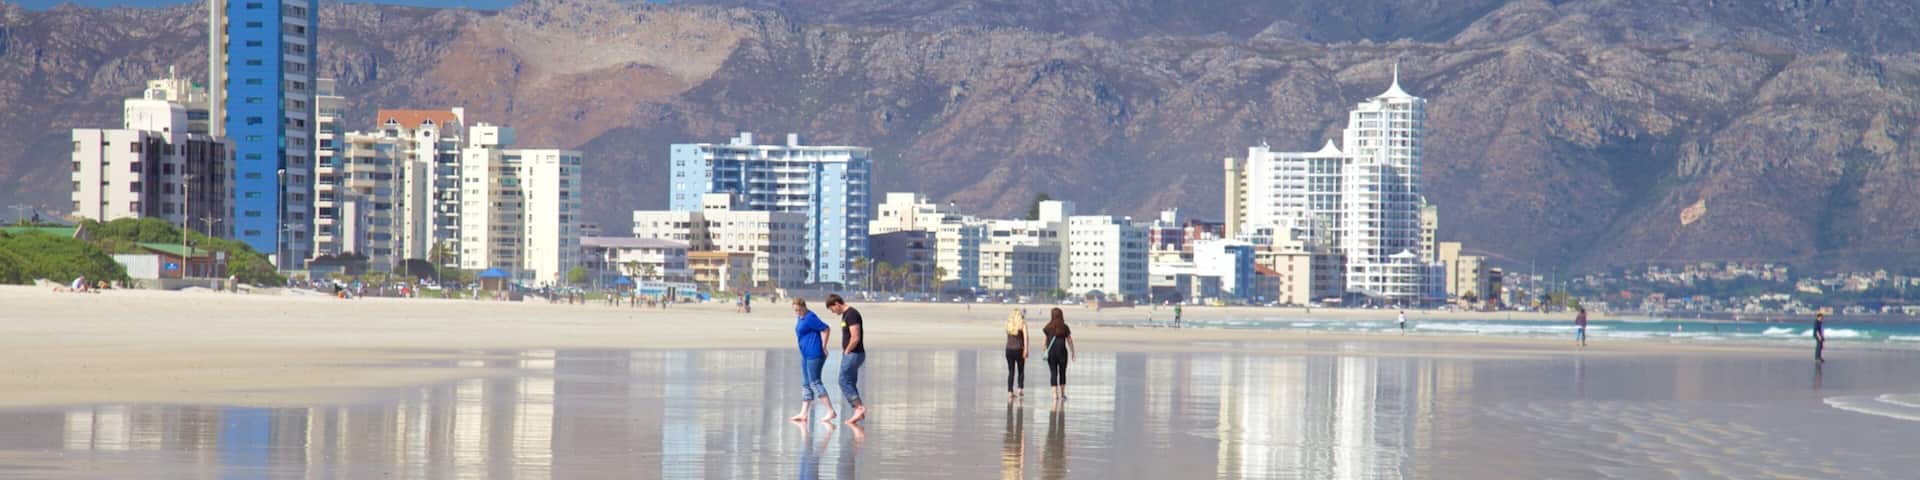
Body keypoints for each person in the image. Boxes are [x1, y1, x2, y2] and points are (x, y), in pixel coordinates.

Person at [791, 298, 838, 423]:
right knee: (806, 383)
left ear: (804, 307)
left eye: (798, 310)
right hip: (805, 354)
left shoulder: (810, 317)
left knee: (815, 382)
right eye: (795, 310)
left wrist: (824, 346)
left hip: (815, 354)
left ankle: (830, 411)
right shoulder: (801, 317)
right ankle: (803, 413)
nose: (797, 312)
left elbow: (826, 328)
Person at [827, 294, 868, 424]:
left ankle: (859, 408)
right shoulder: (846, 315)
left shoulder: (852, 314)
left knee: (843, 381)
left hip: (854, 353)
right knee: (849, 381)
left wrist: (847, 350)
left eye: (832, 309)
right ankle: (858, 410)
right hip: (852, 353)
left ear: (837, 304)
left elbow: (855, 337)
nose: (833, 312)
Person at [1042, 307, 1076, 401]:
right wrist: (1073, 351)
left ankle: (1054, 395)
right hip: (1062, 352)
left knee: (1053, 372)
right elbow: (1069, 340)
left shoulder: (1048, 327)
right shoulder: (1064, 327)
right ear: (1061, 315)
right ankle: (1062, 394)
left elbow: (1044, 340)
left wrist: (1044, 350)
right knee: (1062, 372)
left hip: (1051, 352)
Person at [1004, 309, 1029, 399]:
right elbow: (1026, 338)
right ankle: (1020, 389)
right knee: (1021, 370)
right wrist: (1026, 349)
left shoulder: (1008, 325)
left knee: (1011, 371)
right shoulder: (1023, 324)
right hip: (1019, 349)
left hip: (1009, 349)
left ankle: (1010, 391)